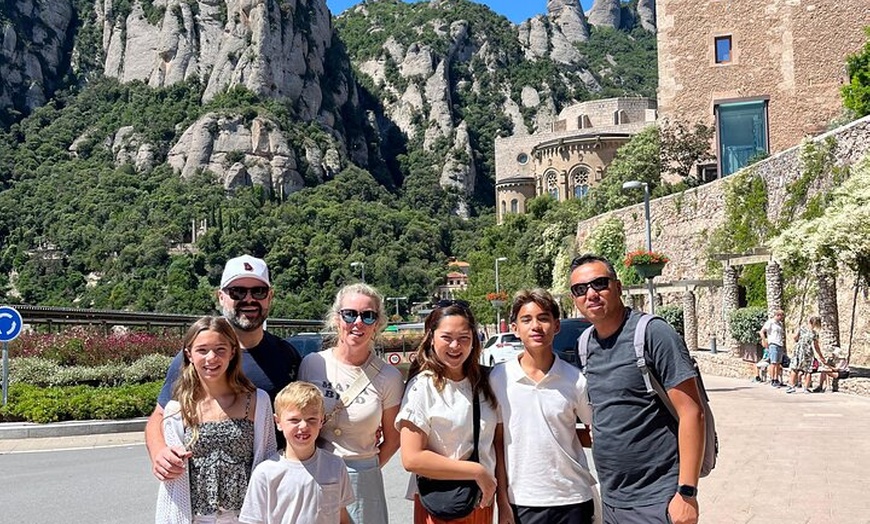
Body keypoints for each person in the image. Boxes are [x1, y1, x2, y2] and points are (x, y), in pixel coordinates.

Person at [569, 254, 705, 524]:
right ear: (574, 298)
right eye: (580, 289)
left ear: (618, 288)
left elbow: (692, 412)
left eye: (599, 284)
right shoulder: (585, 344)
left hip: (657, 497)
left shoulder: (652, 333)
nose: (591, 294)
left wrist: (687, 494)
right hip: (612, 498)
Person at [147, 255, 302, 482]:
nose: (248, 299)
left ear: (270, 297)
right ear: (221, 297)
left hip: (274, 489)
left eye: (258, 291)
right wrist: (160, 451)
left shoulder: (287, 355)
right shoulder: (193, 360)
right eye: (237, 292)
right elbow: (158, 417)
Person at [298, 283, 404, 523]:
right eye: (350, 314)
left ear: (376, 324)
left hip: (363, 480)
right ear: (337, 319)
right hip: (316, 472)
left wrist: (366, 467)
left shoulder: (389, 377)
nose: (358, 322)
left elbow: (393, 439)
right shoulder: (312, 364)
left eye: (368, 316)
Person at [155, 316, 277, 524]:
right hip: (195, 519)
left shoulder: (259, 401)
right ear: (189, 354)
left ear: (232, 352)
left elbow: (268, 459)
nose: (211, 358)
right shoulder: (177, 410)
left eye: (220, 349)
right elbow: (173, 481)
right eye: (202, 350)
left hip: (247, 517)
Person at [490, 289, 597, 524]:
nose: (536, 326)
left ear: (556, 326)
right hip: (523, 500)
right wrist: (502, 501)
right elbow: (497, 444)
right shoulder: (498, 379)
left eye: (544, 318)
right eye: (526, 319)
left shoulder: (576, 380)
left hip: (573, 497)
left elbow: (594, 432)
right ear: (514, 328)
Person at [396, 299, 499, 524]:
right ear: (431, 339)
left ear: (474, 341)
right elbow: (411, 458)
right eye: (447, 338)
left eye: (464, 338)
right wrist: (476, 471)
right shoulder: (422, 386)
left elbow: (496, 445)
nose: (455, 346)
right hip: (440, 505)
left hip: (481, 502)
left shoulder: (486, 382)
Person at [239, 381, 354, 524]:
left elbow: (341, 515)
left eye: (311, 419)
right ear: (278, 422)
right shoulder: (265, 473)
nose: (304, 426)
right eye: (294, 420)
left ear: (321, 421)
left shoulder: (335, 465)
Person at [786, 316, 824, 394]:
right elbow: (816, 346)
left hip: (799, 351)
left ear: (809, 321)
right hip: (808, 352)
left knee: (794, 368)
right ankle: (806, 388)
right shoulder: (814, 334)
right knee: (808, 370)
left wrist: (797, 339)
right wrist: (821, 356)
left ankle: (791, 387)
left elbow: (795, 338)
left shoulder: (802, 329)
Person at [759, 309, 786, 387]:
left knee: (778, 363)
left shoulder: (780, 324)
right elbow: (762, 332)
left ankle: (776, 379)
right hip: (773, 343)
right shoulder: (770, 322)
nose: (781, 318)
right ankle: (772, 379)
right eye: (781, 316)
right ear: (777, 315)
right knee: (773, 362)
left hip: (779, 344)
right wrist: (765, 341)